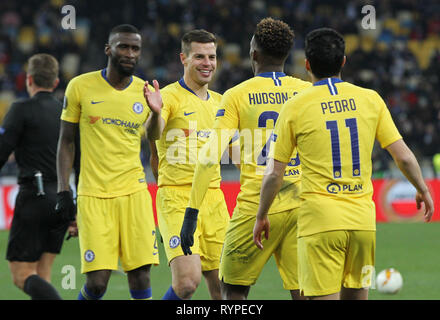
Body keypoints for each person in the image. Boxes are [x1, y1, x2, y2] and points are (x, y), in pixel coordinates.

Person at [254, 27, 434, 300]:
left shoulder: (295, 106)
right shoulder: (370, 99)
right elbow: (404, 156)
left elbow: (273, 175)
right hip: (363, 224)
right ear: (343, 62)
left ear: (306, 65)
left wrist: (261, 215)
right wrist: (422, 188)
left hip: (320, 223)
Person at [180, 18, 311, 299]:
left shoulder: (236, 95)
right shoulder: (305, 92)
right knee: (303, 292)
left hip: (255, 204)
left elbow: (208, 158)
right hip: (300, 204)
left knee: (233, 291)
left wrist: (191, 213)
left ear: (253, 54)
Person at [56, 24, 159, 300]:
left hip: (134, 192)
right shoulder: (80, 86)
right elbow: (66, 141)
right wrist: (64, 189)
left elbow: (152, 138)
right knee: (98, 283)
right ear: (108, 49)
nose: (130, 53)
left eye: (135, 48)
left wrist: (157, 114)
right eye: (123, 46)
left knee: (141, 274)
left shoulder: (145, 91)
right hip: (94, 194)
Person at [144, 29, 230, 300]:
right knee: (187, 283)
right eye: (199, 57)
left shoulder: (221, 102)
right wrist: (155, 114)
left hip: (214, 200)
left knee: (226, 289)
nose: (207, 63)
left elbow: (237, 152)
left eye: (212, 56)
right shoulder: (168, 97)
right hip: (177, 198)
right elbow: (154, 133)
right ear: (184, 58)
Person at [1, 53, 69, 300]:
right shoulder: (66, 111)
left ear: (28, 79)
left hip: (34, 196)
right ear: (56, 81)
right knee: (43, 275)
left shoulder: (21, 109)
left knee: (22, 275)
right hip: (62, 198)